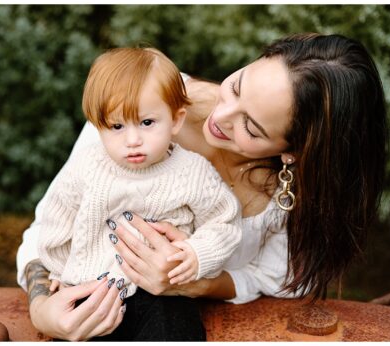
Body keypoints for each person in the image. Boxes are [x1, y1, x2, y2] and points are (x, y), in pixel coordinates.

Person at [16, 33, 387, 340]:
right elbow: (47, 229)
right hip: (93, 294)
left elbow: (276, 276)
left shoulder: (291, 196)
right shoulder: (141, 101)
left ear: (292, 152)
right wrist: (42, 310)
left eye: (251, 128)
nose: (221, 117)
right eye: (237, 86)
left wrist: (194, 280)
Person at [31, 47, 245, 340]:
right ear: (99, 126)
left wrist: (197, 253)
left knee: (177, 332)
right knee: (81, 329)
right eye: (116, 126)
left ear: (176, 120)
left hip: (163, 293)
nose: (133, 140)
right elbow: (58, 222)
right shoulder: (87, 166)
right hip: (94, 289)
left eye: (147, 123)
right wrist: (59, 272)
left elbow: (224, 221)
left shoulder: (192, 171)